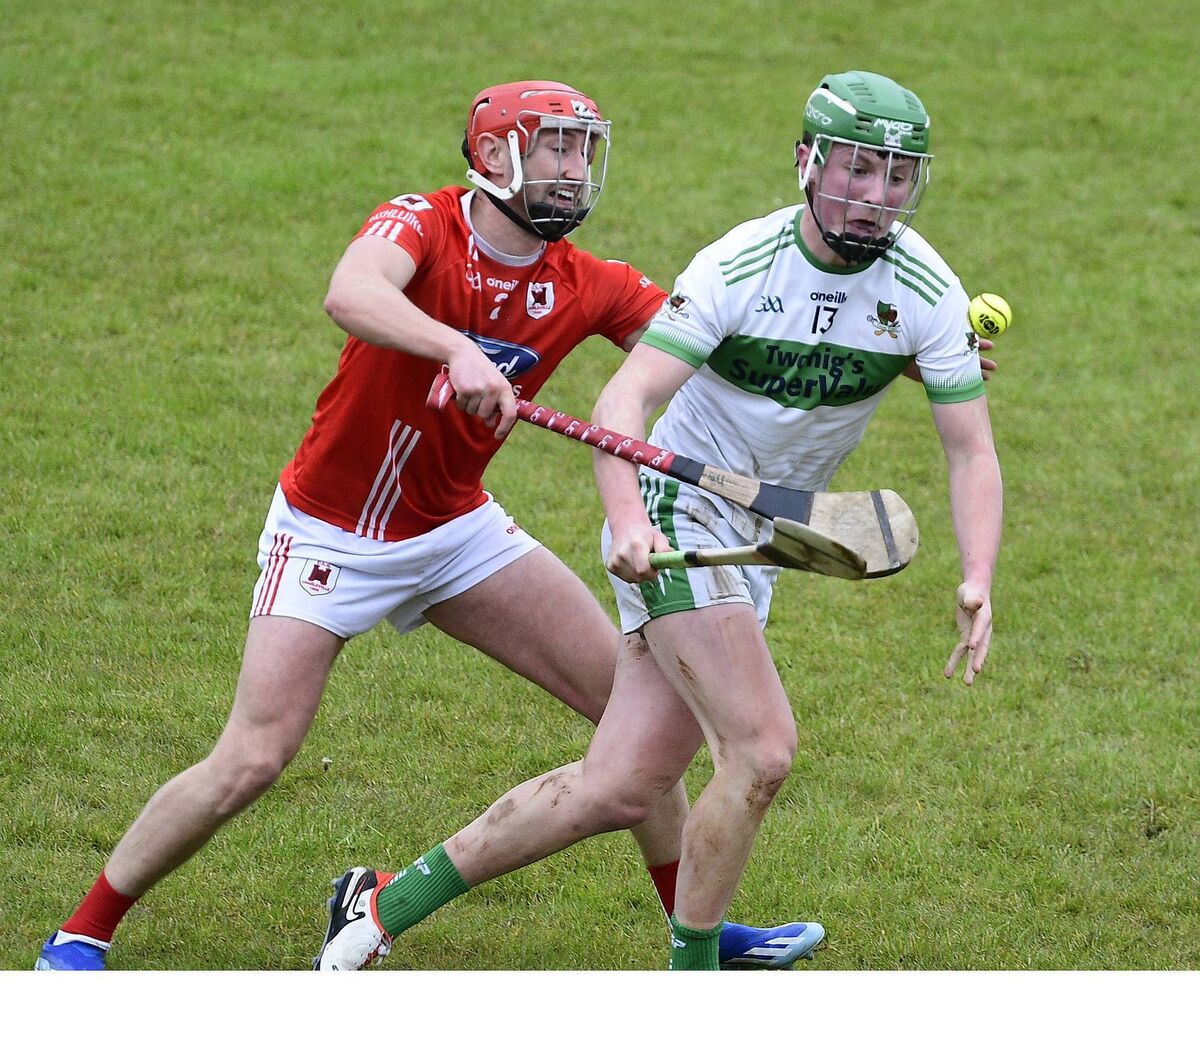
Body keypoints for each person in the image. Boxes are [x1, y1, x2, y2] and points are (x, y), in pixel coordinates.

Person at [36, 80, 825, 972]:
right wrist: (453, 346)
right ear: (493, 156)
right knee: (253, 756)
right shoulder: (424, 223)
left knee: (634, 728)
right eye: (556, 147)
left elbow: (716, 351)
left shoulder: (586, 283)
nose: (575, 170)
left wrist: (901, 352)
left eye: (583, 150)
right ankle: (82, 931)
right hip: (330, 533)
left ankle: (697, 933)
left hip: (456, 532)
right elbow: (350, 290)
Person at [313, 70, 1002, 971]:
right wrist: (630, 522)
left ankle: (377, 906)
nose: (877, 195)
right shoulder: (739, 267)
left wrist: (978, 575)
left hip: (755, 540)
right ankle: (695, 974)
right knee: (761, 750)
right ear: (809, 163)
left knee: (621, 784)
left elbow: (971, 450)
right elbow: (622, 405)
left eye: (898, 176)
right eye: (857, 169)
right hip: (677, 512)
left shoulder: (926, 290)